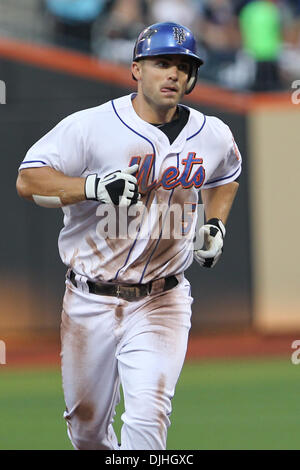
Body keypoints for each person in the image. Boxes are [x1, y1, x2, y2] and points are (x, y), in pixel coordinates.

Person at [16, 22, 241, 450]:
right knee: (87, 432)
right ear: (137, 69)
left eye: (182, 65)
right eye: (161, 64)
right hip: (89, 299)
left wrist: (215, 224)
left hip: (163, 298)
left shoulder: (212, 134)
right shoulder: (91, 126)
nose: (173, 74)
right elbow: (28, 180)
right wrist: (92, 186)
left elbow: (227, 175)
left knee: (148, 413)